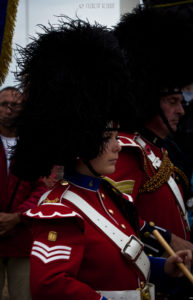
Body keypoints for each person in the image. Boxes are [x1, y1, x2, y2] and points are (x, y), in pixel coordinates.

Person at [11, 18, 192, 300]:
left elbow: (127, 264)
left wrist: (164, 268)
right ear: (81, 143)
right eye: (109, 138)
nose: (119, 146)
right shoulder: (58, 211)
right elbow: (50, 287)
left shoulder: (109, 196)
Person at [108, 6, 193, 256]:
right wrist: (167, 241)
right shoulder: (128, 150)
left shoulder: (160, 149)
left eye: (180, 101)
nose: (181, 111)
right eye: (172, 102)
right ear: (149, 101)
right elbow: (116, 218)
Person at [0, 86, 48, 300]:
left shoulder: (33, 146)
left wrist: (17, 216)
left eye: (16, 105)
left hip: (23, 239)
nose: (9, 109)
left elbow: (42, 188)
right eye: (4, 104)